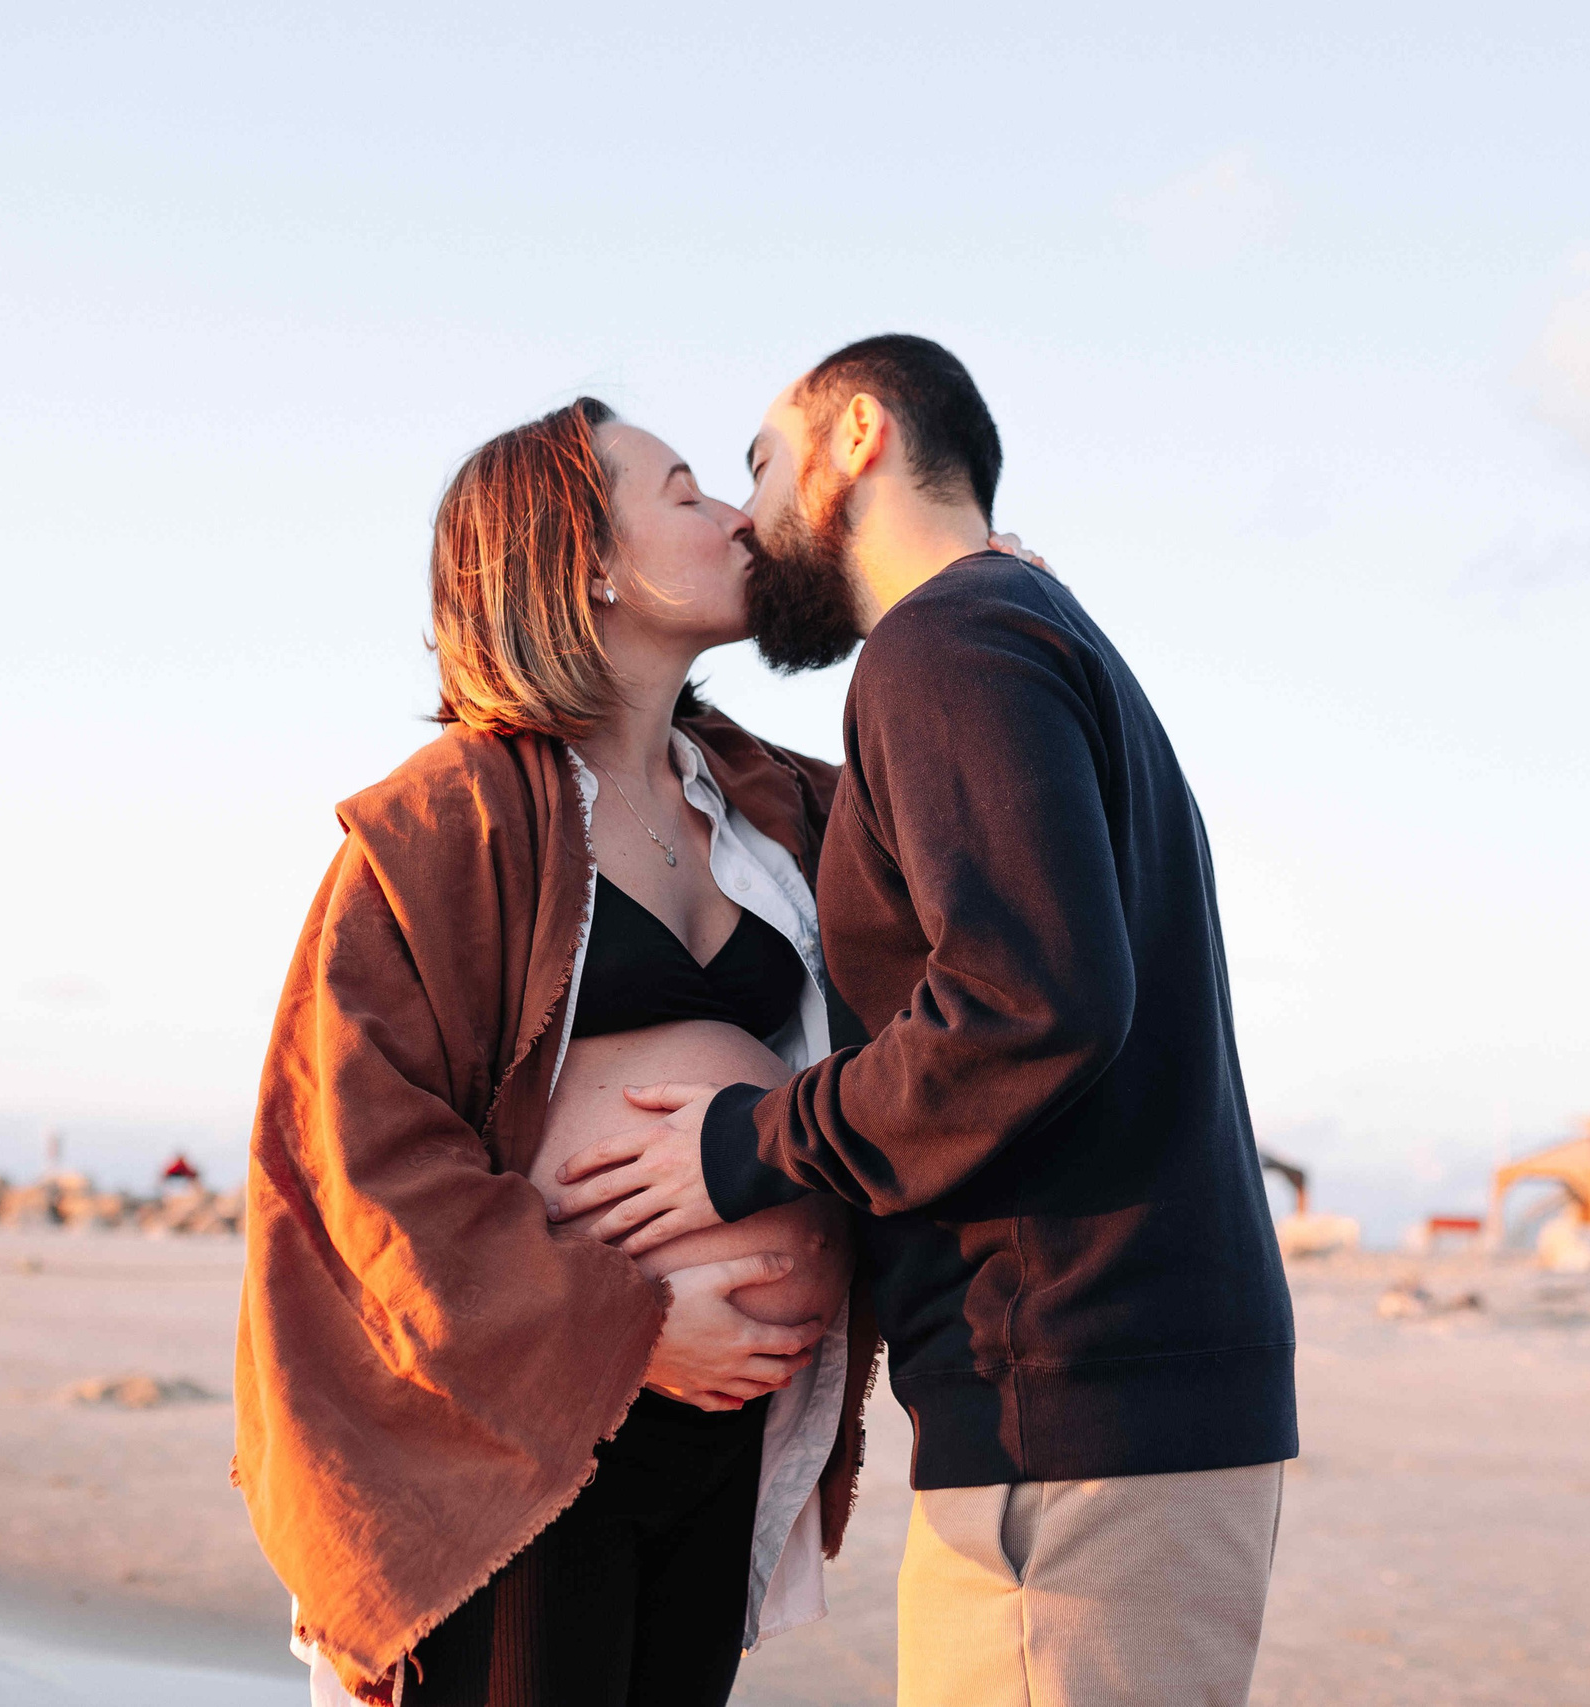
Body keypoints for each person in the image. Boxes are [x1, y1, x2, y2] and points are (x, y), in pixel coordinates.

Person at [548, 336, 1299, 1707]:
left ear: (857, 438)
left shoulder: (947, 646)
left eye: (759, 465)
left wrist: (741, 1147)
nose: (742, 515)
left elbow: (1026, 1008)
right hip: (1122, 1397)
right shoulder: (1015, 636)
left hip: (1074, 1406)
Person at [235, 398, 883, 1707]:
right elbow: (355, 1158)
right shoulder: (441, 829)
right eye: (691, 491)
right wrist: (632, 1333)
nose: (739, 518)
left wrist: (965, 590)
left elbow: (959, 952)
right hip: (517, 1444)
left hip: (731, 1428)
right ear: (585, 561)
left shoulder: (787, 804)